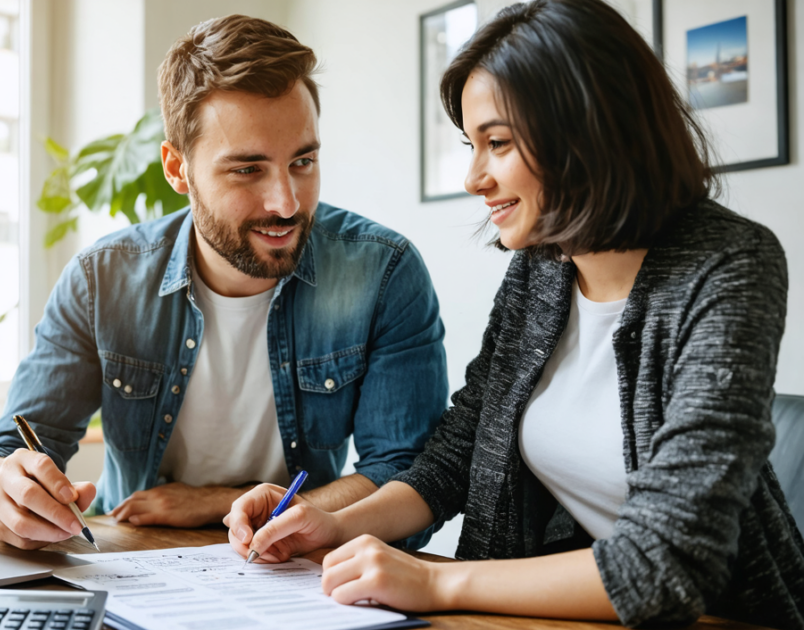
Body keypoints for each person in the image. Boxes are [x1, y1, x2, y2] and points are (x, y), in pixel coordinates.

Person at [225, 1, 804, 628]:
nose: (475, 176)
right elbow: (455, 457)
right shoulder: (543, 267)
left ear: (588, 129)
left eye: (496, 143)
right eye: (472, 145)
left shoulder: (730, 265)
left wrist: (435, 582)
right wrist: (330, 524)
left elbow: (668, 563)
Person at [0, 15, 448, 552]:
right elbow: (3, 451)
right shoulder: (103, 280)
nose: (286, 203)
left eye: (302, 161)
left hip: (302, 572)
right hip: (138, 561)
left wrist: (221, 502)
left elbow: (407, 479)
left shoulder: (383, 272)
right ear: (177, 168)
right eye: (247, 170)